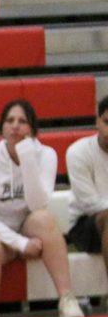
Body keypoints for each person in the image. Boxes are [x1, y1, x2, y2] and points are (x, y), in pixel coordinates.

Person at [0, 99, 85, 317]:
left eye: (22, 121)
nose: (15, 126)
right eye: (10, 120)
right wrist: (20, 244)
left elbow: (37, 204)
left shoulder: (46, 155)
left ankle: (67, 299)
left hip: (25, 226)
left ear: (32, 129)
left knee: (44, 219)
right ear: (2, 127)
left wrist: (27, 158)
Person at [64, 94, 108, 284]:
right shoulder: (78, 152)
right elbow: (90, 204)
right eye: (107, 122)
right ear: (97, 120)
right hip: (86, 226)